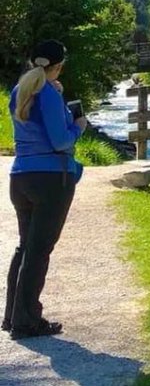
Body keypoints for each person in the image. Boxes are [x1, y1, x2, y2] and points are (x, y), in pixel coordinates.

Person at [4, 40, 86, 340]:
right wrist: (79, 126)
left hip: (21, 177)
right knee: (39, 252)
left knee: (25, 247)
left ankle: (12, 316)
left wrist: (57, 96)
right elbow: (60, 141)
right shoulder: (48, 94)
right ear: (59, 65)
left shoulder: (21, 89)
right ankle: (27, 322)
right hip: (50, 180)